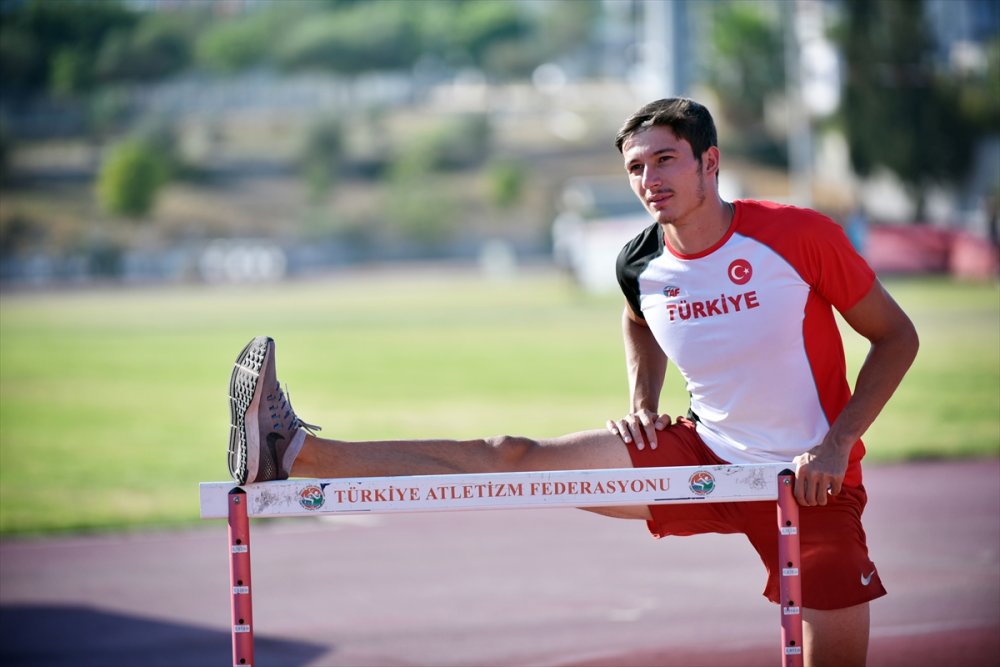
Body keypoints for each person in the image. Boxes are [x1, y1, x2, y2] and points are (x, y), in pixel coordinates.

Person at [227, 98, 918, 667]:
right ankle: (295, 452)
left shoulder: (797, 235)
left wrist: (836, 443)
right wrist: (643, 403)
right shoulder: (639, 261)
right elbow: (638, 320)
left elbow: (896, 337)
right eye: (635, 168)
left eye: (665, 160)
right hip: (700, 456)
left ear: (711, 162)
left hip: (810, 478)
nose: (650, 180)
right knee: (510, 456)